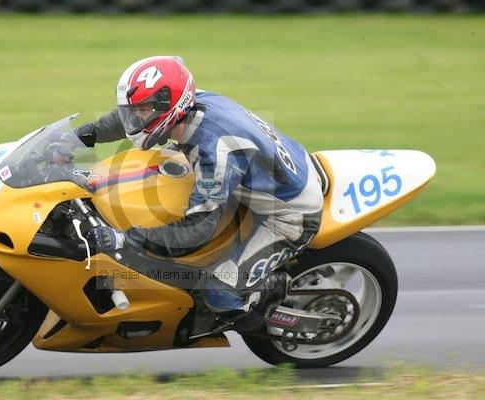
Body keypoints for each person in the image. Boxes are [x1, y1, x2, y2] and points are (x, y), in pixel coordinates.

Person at [77, 55, 324, 331]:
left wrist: (127, 238)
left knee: (220, 295)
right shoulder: (189, 102)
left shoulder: (214, 155)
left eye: (142, 111)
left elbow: (197, 231)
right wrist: (79, 137)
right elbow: (123, 121)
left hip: (289, 216)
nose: (134, 118)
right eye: (132, 110)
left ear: (169, 107)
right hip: (279, 168)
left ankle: (268, 293)